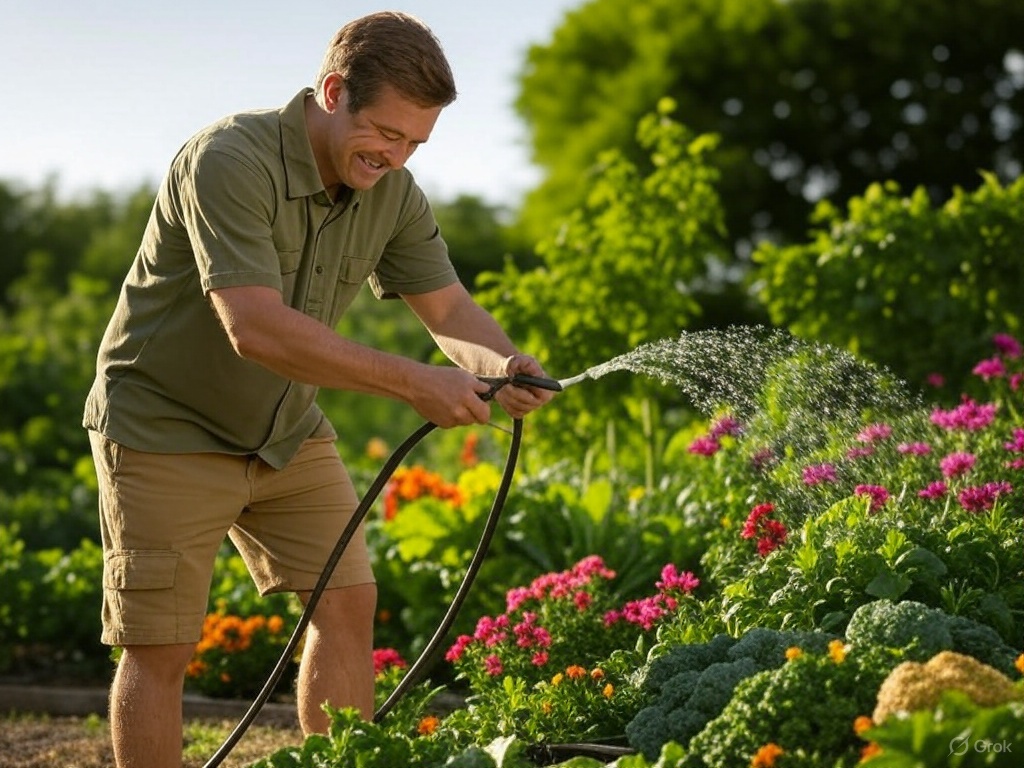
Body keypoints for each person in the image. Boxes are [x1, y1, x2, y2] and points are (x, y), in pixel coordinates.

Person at [82, 11, 555, 768]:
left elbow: (448, 309)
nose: (396, 157)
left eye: (414, 144)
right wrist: (413, 384)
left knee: (347, 605)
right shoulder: (230, 160)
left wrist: (501, 363)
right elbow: (255, 329)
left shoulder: (393, 192)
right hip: (165, 426)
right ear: (333, 91)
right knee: (162, 644)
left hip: (284, 432)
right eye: (385, 134)